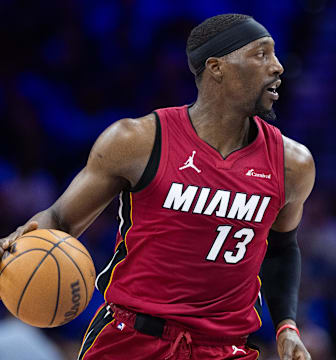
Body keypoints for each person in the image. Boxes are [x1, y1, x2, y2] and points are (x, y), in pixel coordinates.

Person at [0, 13, 314, 360]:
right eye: (261, 54)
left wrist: (287, 326)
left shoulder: (292, 164)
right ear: (216, 67)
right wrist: (22, 240)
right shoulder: (138, 141)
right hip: (130, 339)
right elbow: (60, 219)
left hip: (224, 348)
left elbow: (282, 247)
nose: (278, 67)